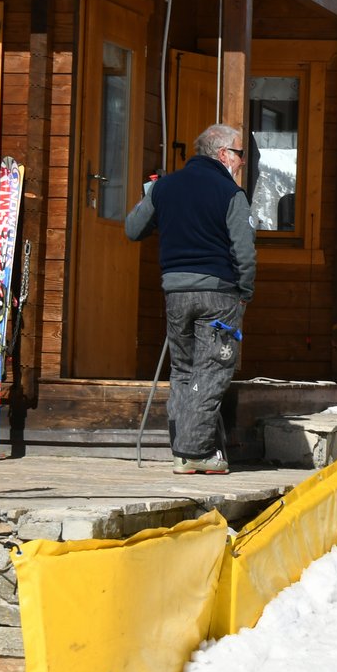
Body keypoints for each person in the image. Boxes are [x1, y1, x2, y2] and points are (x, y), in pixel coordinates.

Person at [125, 123, 256, 475]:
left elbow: (133, 228)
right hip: (218, 294)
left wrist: (151, 193)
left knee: (185, 372)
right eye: (241, 154)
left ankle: (184, 452)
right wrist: (245, 292)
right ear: (224, 154)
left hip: (175, 293)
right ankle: (196, 452)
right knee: (212, 371)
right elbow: (244, 250)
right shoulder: (231, 193)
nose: (243, 162)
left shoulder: (164, 187)